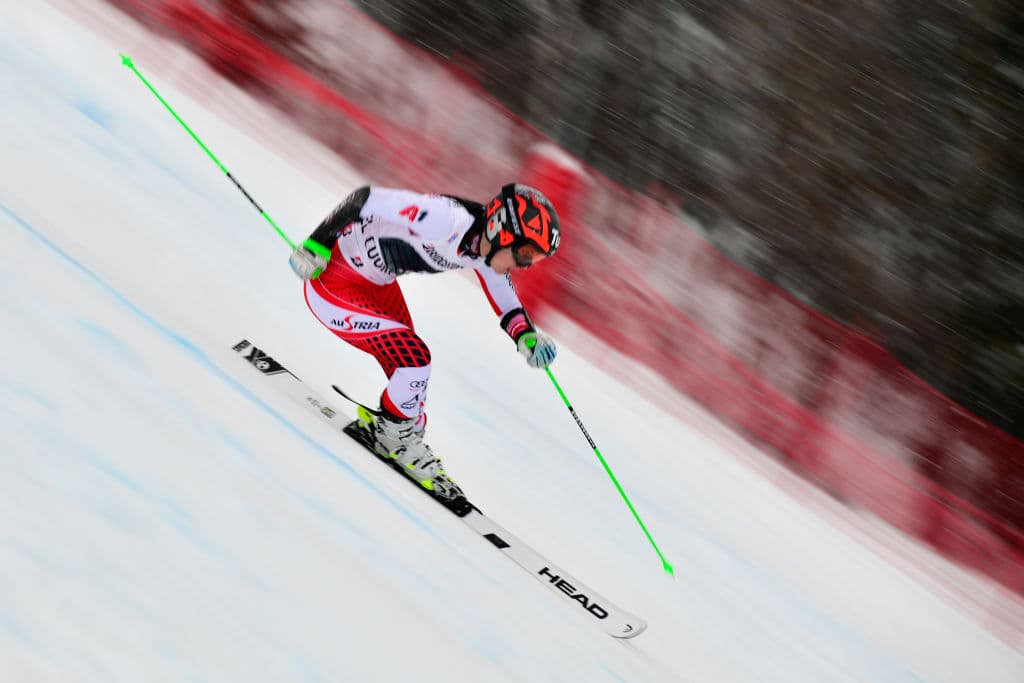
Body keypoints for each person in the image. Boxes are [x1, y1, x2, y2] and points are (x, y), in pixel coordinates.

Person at [288, 184, 561, 501]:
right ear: (502, 229)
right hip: (333, 283)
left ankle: (402, 433)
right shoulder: (445, 219)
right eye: (526, 253)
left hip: (375, 286)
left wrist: (526, 335)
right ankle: (393, 436)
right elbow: (363, 199)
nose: (526, 265)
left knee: (410, 386)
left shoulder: (484, 248)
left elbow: (504, 296)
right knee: (415, 362)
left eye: (535, 258)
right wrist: (316, 244)